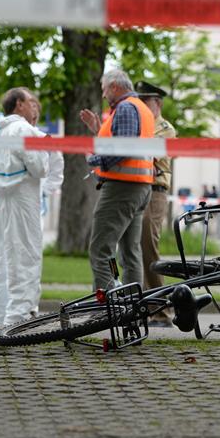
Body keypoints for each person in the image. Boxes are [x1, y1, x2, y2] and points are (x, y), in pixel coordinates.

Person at [0, 87, 50, 326]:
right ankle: (20, 318)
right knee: (24, 258)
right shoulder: (25, 131)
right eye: (31, 102)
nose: (35, 107)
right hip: (22, 201)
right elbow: (40, 168)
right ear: (19, 104)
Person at [80, 69, 154, 290]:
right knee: (129, 252)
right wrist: (97, 130)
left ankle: (105, 309)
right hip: (139, 187)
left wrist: (94, 160)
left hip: (122, 189)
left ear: (114, 87)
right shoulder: (141, 109)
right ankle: (132, 306)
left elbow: (123, 147)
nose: (103, 95)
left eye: (104, 90)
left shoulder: (125, 108)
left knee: (101, 249)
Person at [136, 81, 177, 327]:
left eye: (146, 101)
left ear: (157, 104)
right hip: (137, 188)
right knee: (135, 250)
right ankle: (145, 309)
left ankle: (161, 312)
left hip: (155, 191)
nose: (141, 105)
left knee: (148, 246)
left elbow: (148, 152)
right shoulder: (142, 127)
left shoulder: (165, 129)